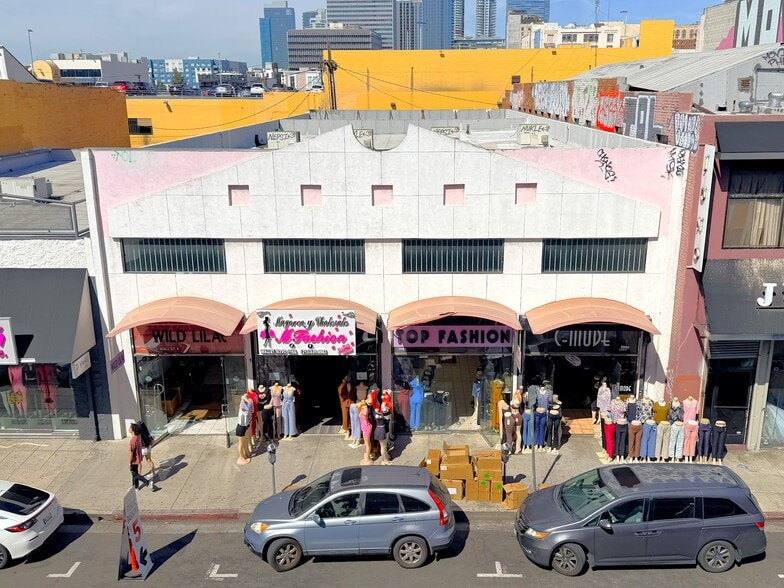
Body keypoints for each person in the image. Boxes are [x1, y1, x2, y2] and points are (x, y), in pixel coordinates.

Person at [129, 423, 151, 490]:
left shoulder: (132, 441)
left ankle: (146, 481)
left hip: (134, 459)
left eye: (130, 427)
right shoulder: (138, 436)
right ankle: (135, 487)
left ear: (133, 430)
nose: (129, 428)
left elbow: (131, 452)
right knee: (134, 473)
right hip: (138, 457)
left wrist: (129, 462)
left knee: (135, 475)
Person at [138, 421, 157, 489]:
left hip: (142, 449)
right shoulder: (146, 432)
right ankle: (153, 472)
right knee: (149, 460)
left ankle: (139, 475)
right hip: (148, 447)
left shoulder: (139, 434)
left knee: (139, 462)